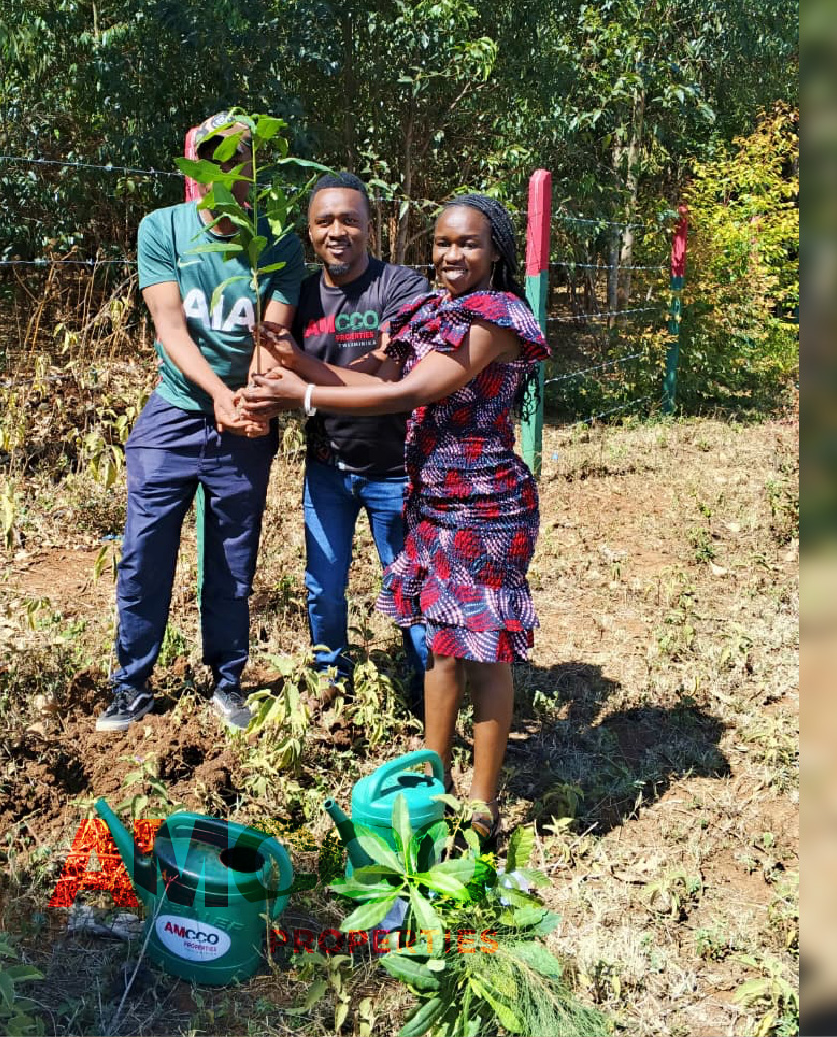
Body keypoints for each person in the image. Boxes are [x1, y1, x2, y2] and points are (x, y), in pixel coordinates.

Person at [246, 193, 549, 844]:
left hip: (486, 506)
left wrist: (302, 396)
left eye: (468, 243)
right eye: (443, 242)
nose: (452, 254)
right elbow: (373, 380)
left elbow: (410, 393)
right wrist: (292, 361)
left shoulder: (496, 316)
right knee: (440, 646)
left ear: (496, 250)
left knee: (485, 652)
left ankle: (482, 804)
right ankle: (433, 783)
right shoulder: (429, 311)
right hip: (432, 501)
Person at [96, 112, 303, 734]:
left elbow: (273, 334)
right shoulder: (163, 228)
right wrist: (217, 392)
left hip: (246, 417)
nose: (228, 171)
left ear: (255, 167)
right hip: (176, 411)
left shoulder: (278, 242)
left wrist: (254, 399)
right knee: (144, 552)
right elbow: (169, 326)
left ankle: (228, 681)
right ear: (195, 165)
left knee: (233, 557)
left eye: (240, 158)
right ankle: (132, 685)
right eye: (214, 157)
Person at [285, 172, 431, 712]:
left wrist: (303, 377)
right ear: (309, 230)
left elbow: (392, 379)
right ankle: (331, 678)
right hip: (328, 468)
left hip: (396, 469)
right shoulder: (299, 295)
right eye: (324, 221)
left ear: (371, 226)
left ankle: (427, 689)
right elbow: (270, 364)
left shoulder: (400, 286)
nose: (337, 231)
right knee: (324, 585)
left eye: (350, 219)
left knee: (408, 584)